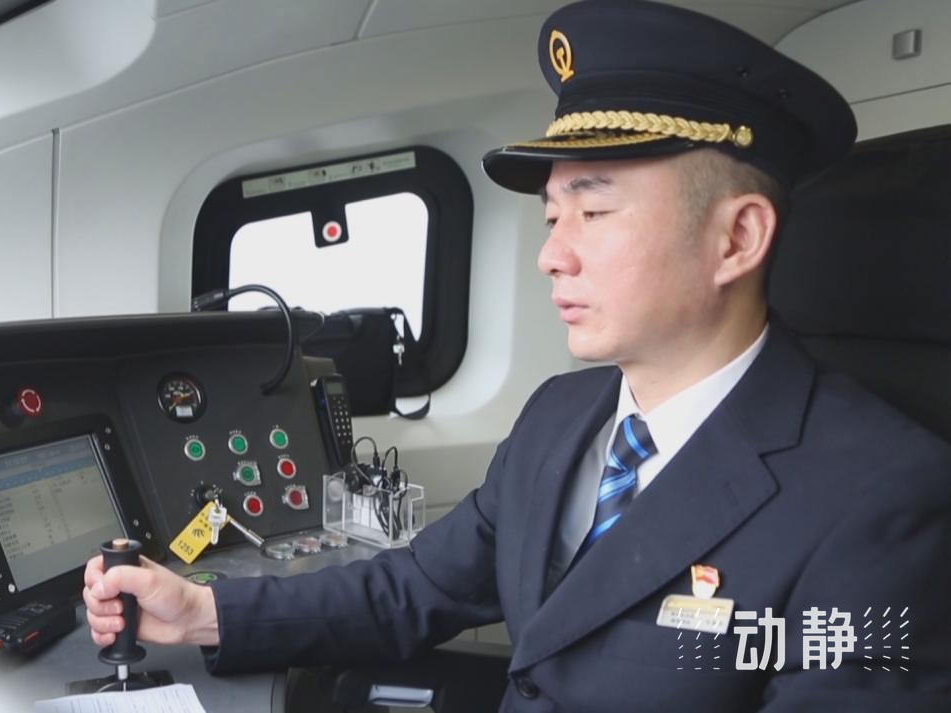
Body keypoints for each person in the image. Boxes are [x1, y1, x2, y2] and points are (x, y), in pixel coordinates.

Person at [84, 1, 951, 710]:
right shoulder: (560, 416)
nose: (551, 255)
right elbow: (418, 587)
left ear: (736, 238)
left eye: (594, 212)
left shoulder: (881, 499)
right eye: (551, 217)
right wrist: (202, 612)